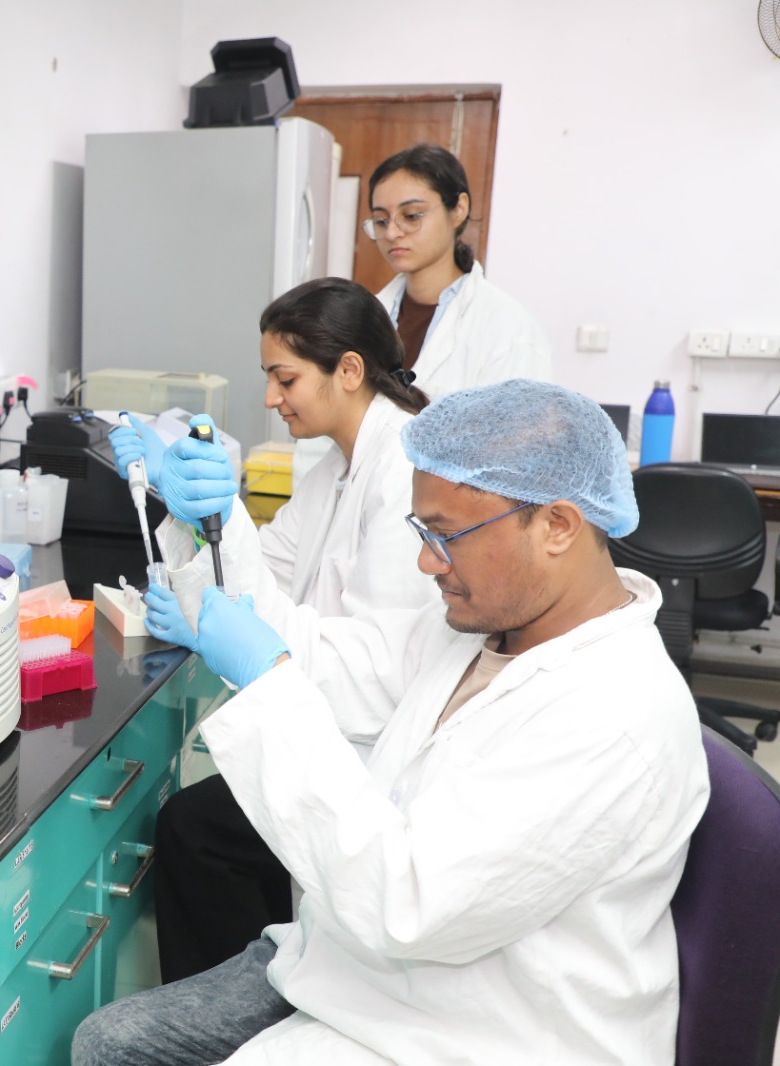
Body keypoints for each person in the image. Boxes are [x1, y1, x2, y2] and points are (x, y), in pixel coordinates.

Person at [73, 380, 709, 1066]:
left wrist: (269, 682)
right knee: (108, 1043)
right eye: (422, 531)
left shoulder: (610, 715)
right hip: (368, 975)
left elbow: (408, 905)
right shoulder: (489, 634)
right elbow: (313, 656)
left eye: (446, 536)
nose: (426, 562)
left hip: (482, 1031)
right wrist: (210, 526)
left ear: (557, 525)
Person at [112, 277, 441, 982]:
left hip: (373, 752)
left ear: (348, 370)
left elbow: (380, 670)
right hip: (335, 727)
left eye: (284, 378)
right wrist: (196, 508)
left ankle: (238, 1013)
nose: (270, 398)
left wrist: (255, 642)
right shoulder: (336, 468)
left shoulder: (403, 471)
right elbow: (263, 570)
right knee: (199, 827)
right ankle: (256, 993)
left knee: (196, 831)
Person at [292, 143, 553, 483]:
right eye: (381, 220)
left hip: (450, 513)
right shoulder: (358, 318)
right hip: (355, 504)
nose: (392, 233)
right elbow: (325, 428)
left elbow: (518, 456)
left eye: (411, 216)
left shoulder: (508, 330)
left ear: (458, 209)